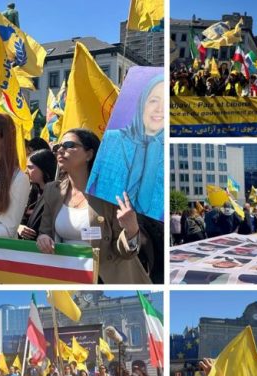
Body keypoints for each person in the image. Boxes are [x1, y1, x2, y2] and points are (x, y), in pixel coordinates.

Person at [36, 129, 151, 284]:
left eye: (69, 145)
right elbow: (46, 231)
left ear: (89, 155)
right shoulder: (52, 190)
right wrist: (43, 238)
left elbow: (123, 252)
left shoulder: (110, 193)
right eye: (57, 147)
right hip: (67, 277)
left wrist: (131, 231)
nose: (60, 150)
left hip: (105, 279)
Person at [87, 73, 164, 221]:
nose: (159, 109)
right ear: (142, 103)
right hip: (108, 226)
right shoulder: (112, 139)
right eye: (154, 101)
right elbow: (89, 187)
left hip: (149, 234)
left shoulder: (169, 153)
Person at [18, 149, 57, 240]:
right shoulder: (30, 190)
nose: (26, 171)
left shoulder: (57, 193)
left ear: (44, 168)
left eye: (30, 167)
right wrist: (19, 227)